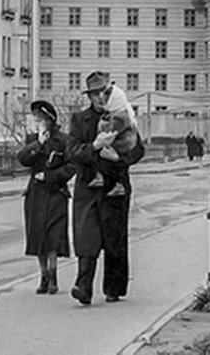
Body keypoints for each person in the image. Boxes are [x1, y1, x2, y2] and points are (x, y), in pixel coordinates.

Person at [66, 71, 146, 306]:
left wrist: (117, 158)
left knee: (115, 238)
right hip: (88, 186)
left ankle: (114, 288)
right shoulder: (80, 120)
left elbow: (138, 149)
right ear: (89, 96)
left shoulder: (123, 116)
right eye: (95, 94)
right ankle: (83, 287)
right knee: (86, 236)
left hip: (116, 184)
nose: (101, 97)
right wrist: (94, 146)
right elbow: (72, 152)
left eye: (104, 92)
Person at [18, 100, 75, 295]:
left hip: (55, 192)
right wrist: (38, 143)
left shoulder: (64, 140)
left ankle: (53, 275)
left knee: (53, 235)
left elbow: (71, 166)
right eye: (34, 118)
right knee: (38, 235)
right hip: (35, 194)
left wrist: (51, 177)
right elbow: (23, 159)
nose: (36, 122)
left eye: (39, 118)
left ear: (49, 119)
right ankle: (43, 275)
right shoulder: (33, 139)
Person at [86, 81, 138, 198]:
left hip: (123, 144)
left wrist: (102, 124)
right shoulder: (121, 112)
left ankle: (108, 180)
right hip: (123, 142)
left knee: (102, 152)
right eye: (96, 94)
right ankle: (102, 177)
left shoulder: (120, 115)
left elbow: (112, 129)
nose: (102, 98)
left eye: (105, 96)